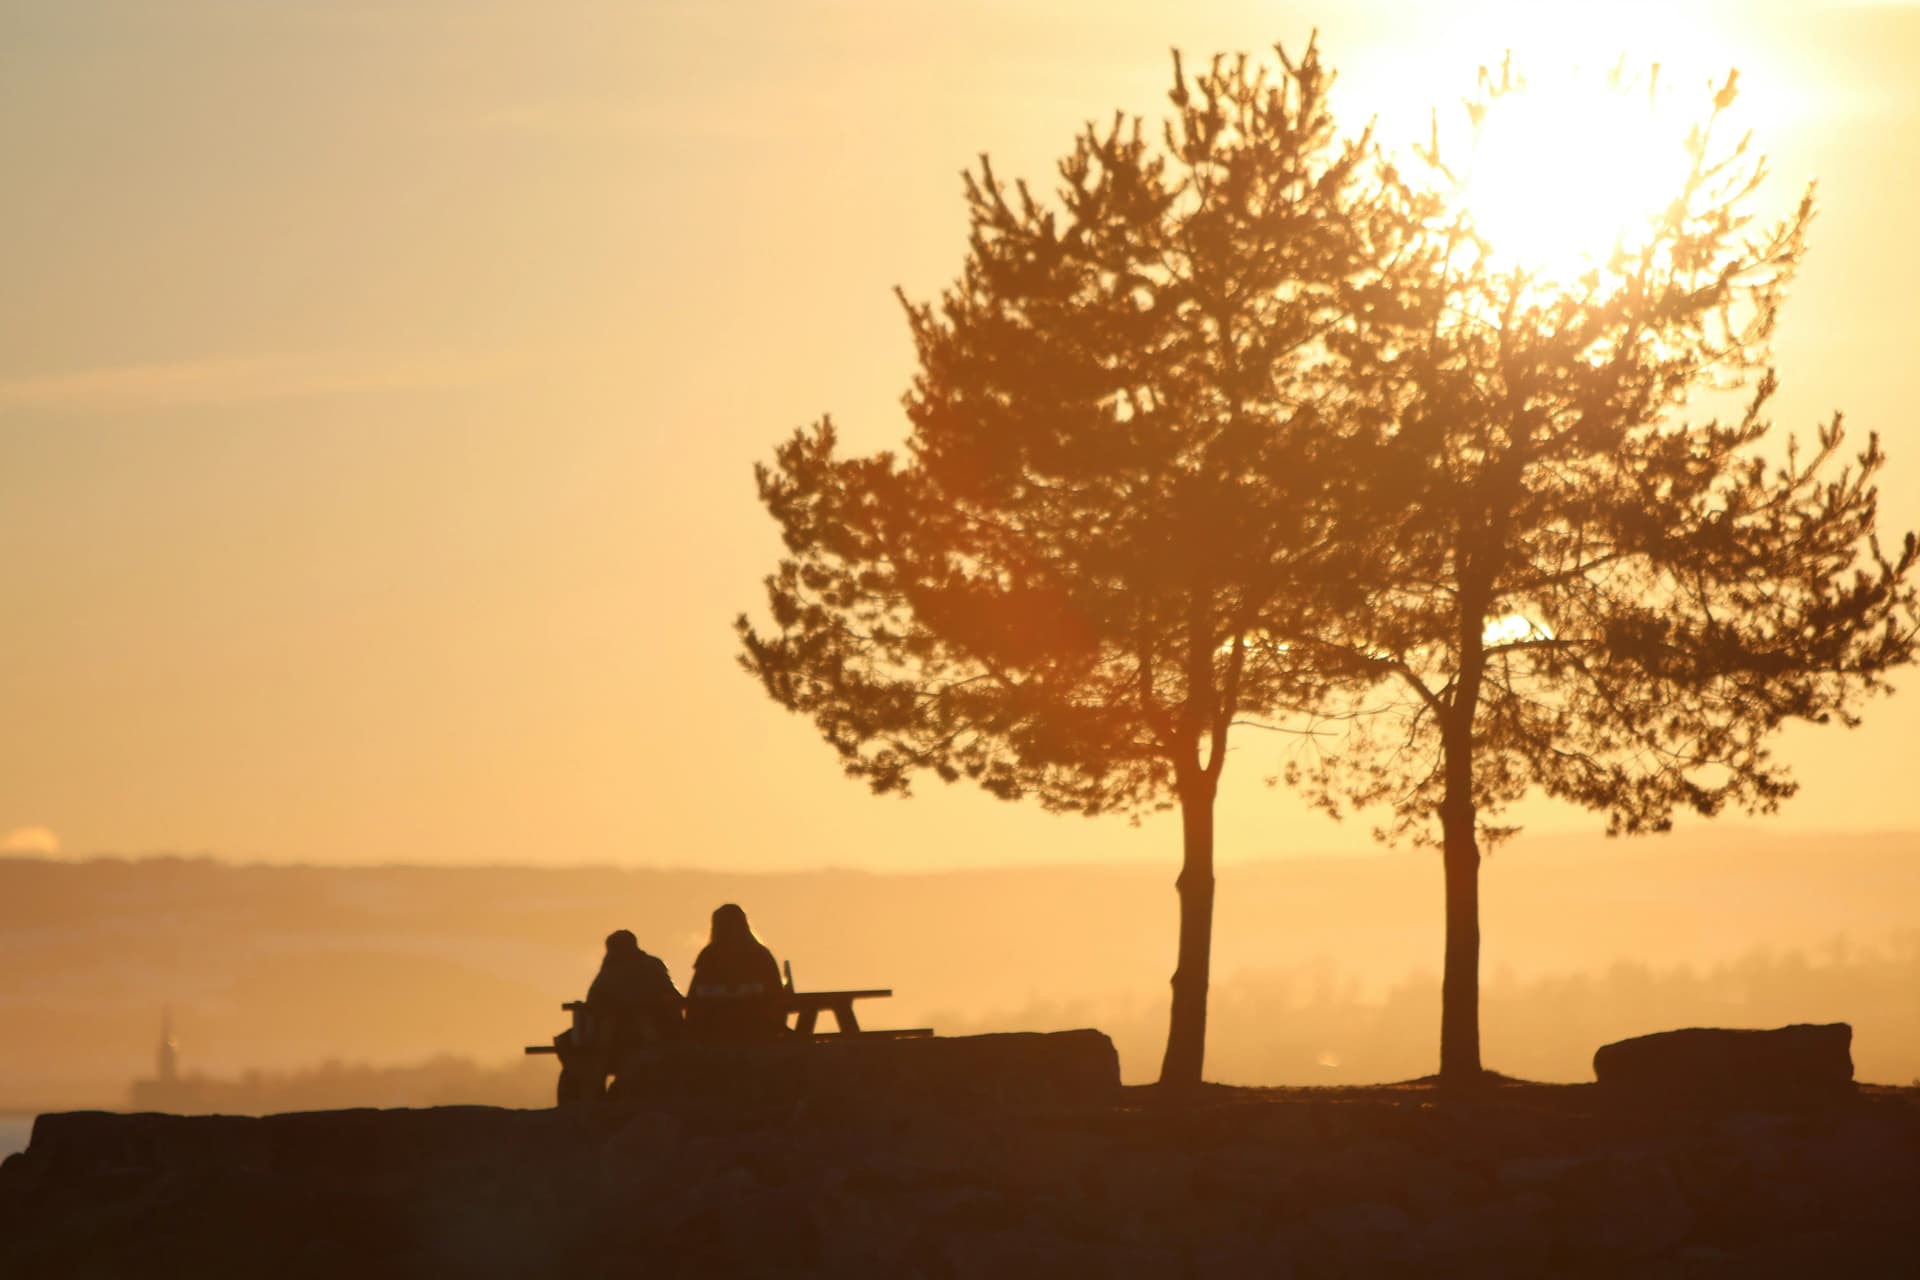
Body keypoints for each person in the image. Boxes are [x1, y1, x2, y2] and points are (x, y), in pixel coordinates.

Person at [554, 929, 682, 1103]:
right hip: (647, 1034)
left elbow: (593, 1000)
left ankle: (591, 1099)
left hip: (617, 1038)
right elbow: (674, 996)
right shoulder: (652, 965)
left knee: (576, 1048)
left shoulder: (611, 970)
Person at [685, 903, 787, 1041]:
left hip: (720, 1031)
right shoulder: (760, 954)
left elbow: (693, 998)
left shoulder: (710, 955)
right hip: (754, 1030)